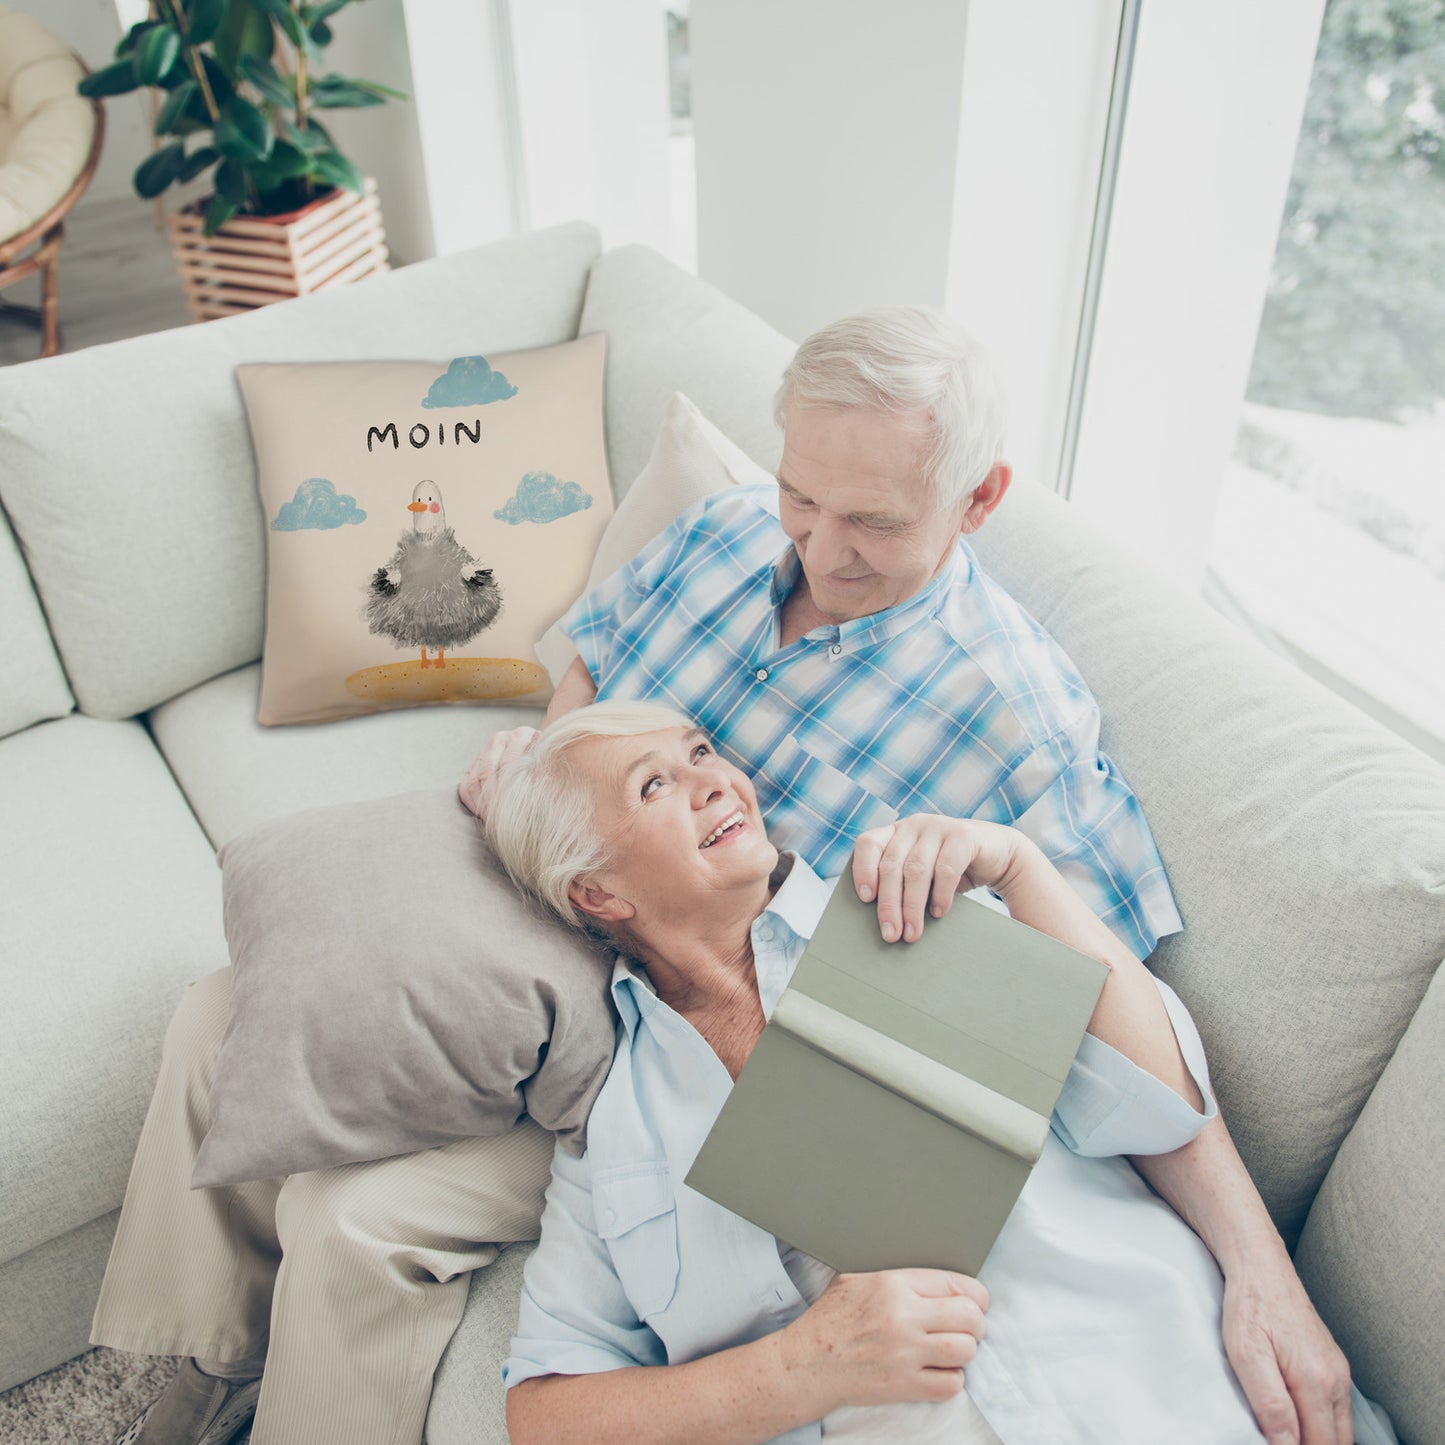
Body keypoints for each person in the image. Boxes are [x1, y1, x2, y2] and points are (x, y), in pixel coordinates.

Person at [94, 309, 1347, 1445]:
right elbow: (593, 673)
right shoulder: (724, 532)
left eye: (871, 521)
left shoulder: (1016, 724)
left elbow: (1104, 1020)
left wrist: (1260, 1267)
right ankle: (192, 1365)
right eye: (803, 495)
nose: (818, 545)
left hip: (689, 1013)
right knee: (229, 1007)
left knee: (355, 1218)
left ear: (976, 500)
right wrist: (543, 762)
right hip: (579, 888)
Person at [486, 701, 1384, 1445]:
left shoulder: (909, 907)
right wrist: (803, 1367)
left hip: (1174, 1392)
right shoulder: (614, 1132)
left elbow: (1158, 1106)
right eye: (655, 784)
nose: (714, 779)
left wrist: (1021, 869)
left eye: (700, 751)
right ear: (597, 893)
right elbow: (545, 1413)